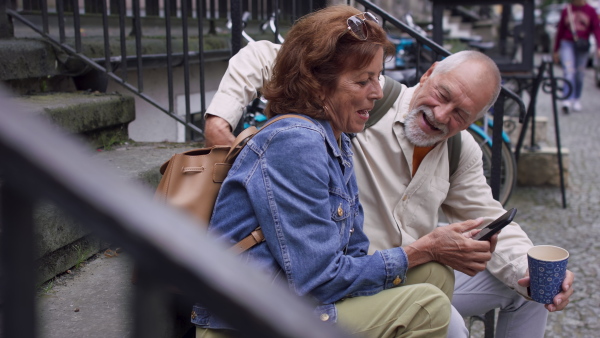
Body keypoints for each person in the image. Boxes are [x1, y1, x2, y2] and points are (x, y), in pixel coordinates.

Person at [202, 37, 576, 338]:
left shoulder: (460, 152)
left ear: (473, 122)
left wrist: (538, 273)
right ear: (428, 73)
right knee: (446, 321)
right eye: (443, 96)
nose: (441, 115)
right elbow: (264, 54)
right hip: (346, 272)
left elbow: (490, 218)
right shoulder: (364, 99)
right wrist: (221, 118)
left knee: (525, 291)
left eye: (461, 114)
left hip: (396, 272)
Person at [192, 6, 458, 337]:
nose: (377, 92)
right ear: (318, 86)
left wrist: (420, 256)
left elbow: (354, 250)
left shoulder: (337, 139)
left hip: (291, 300)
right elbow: (318, 279)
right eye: (363, 80)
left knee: (436, 275)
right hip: (248, 319)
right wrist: (418, 250)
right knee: (427, 306)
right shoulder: (295, 142)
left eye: (377, 77)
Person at [552, 0, 600, 113]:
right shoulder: (566, 10)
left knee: (579, 73)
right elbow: (560, 30)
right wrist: (556, 49)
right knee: (569, 71)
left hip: (582, 45)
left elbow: (596, 29)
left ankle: (576, 98)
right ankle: (567, 99)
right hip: (567, 43)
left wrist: (598, 46)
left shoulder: (590, 11)